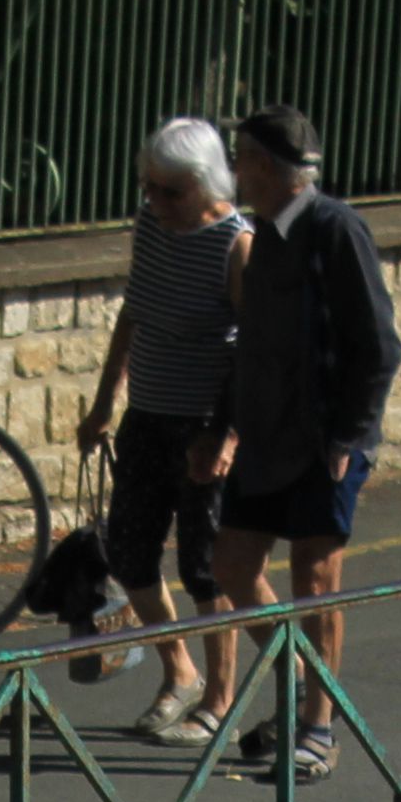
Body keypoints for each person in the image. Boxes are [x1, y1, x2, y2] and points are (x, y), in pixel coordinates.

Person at [206, 104, 401, 783]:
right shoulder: (261, 235)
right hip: (263, 435)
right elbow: (252, 348)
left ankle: (319, 727)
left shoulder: (334, 229)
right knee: (231, 564)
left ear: (265, 165)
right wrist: (225, 427)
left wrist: (349, 434)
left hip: (323, 441)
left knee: (314, 581)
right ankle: (299, 678)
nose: (235, 171)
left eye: (242, 158)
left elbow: (378, 346)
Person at [77, 116, 251, 743]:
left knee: (206, 566)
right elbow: (133, 311)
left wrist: (228, 438)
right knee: (129, 548)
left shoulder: (237, 245)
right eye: (149, 188)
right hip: (147, 414)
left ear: (206, 187)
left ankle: (221, 699)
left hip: (205, 425)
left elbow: (252, 352)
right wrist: (104, 406)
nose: (156, 202)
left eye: (171, 191)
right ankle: (179, 671)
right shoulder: (152, 228)